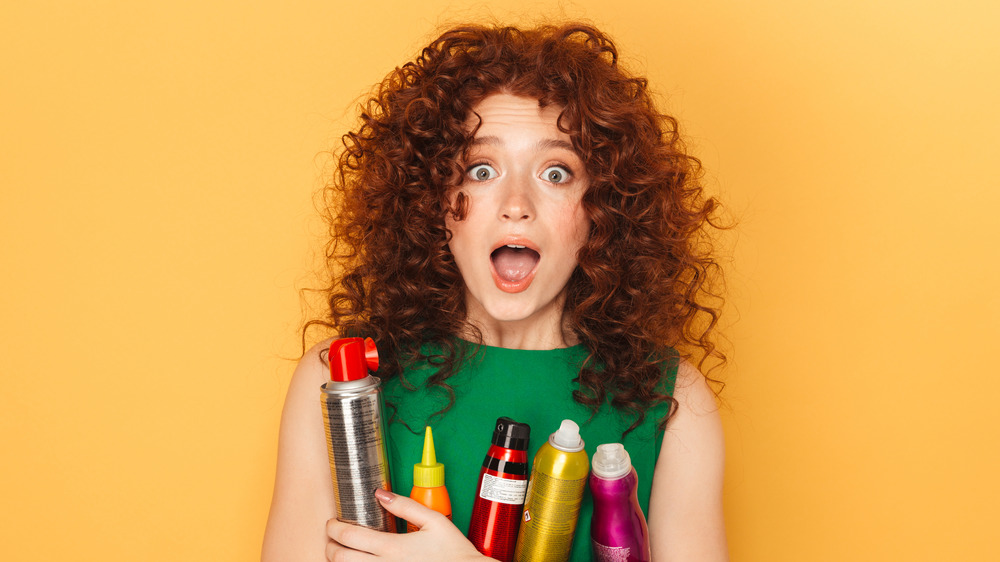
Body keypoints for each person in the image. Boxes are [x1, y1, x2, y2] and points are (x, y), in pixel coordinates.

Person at [262, 22, 728, 562]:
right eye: (481, 170)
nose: (516, 202)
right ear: (433, 202)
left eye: (556, 172)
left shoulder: (673, 403)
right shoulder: (338, 382)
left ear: (603, 210)